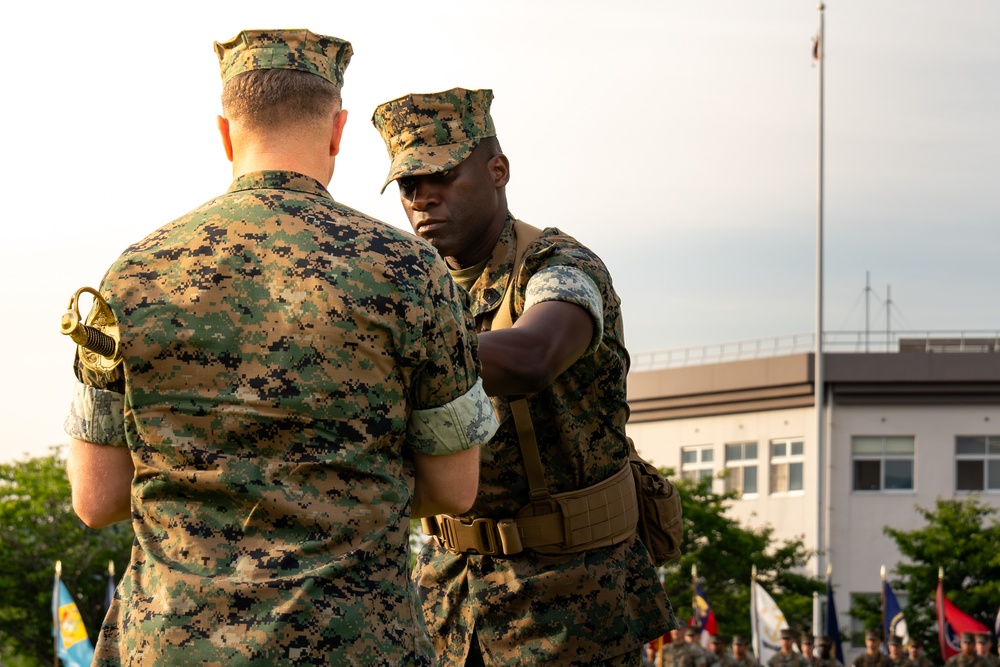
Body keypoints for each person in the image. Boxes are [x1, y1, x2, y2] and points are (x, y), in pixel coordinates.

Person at [64, 30, 498, 666]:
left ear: (224, 131)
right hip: (357, 643)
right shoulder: (410, 271)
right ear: (337, 131)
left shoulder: (133, 274)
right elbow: (454, 490)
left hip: (173, 644)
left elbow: (96, 501)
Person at [371, 87, 674, 665]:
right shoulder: (412, 288)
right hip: (448, 601)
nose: (423, 198)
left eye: (442, 175)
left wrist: (391, 356)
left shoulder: (559, 264)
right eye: (409, 185)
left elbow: (534, 354)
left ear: (497, 171)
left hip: (571, 603)